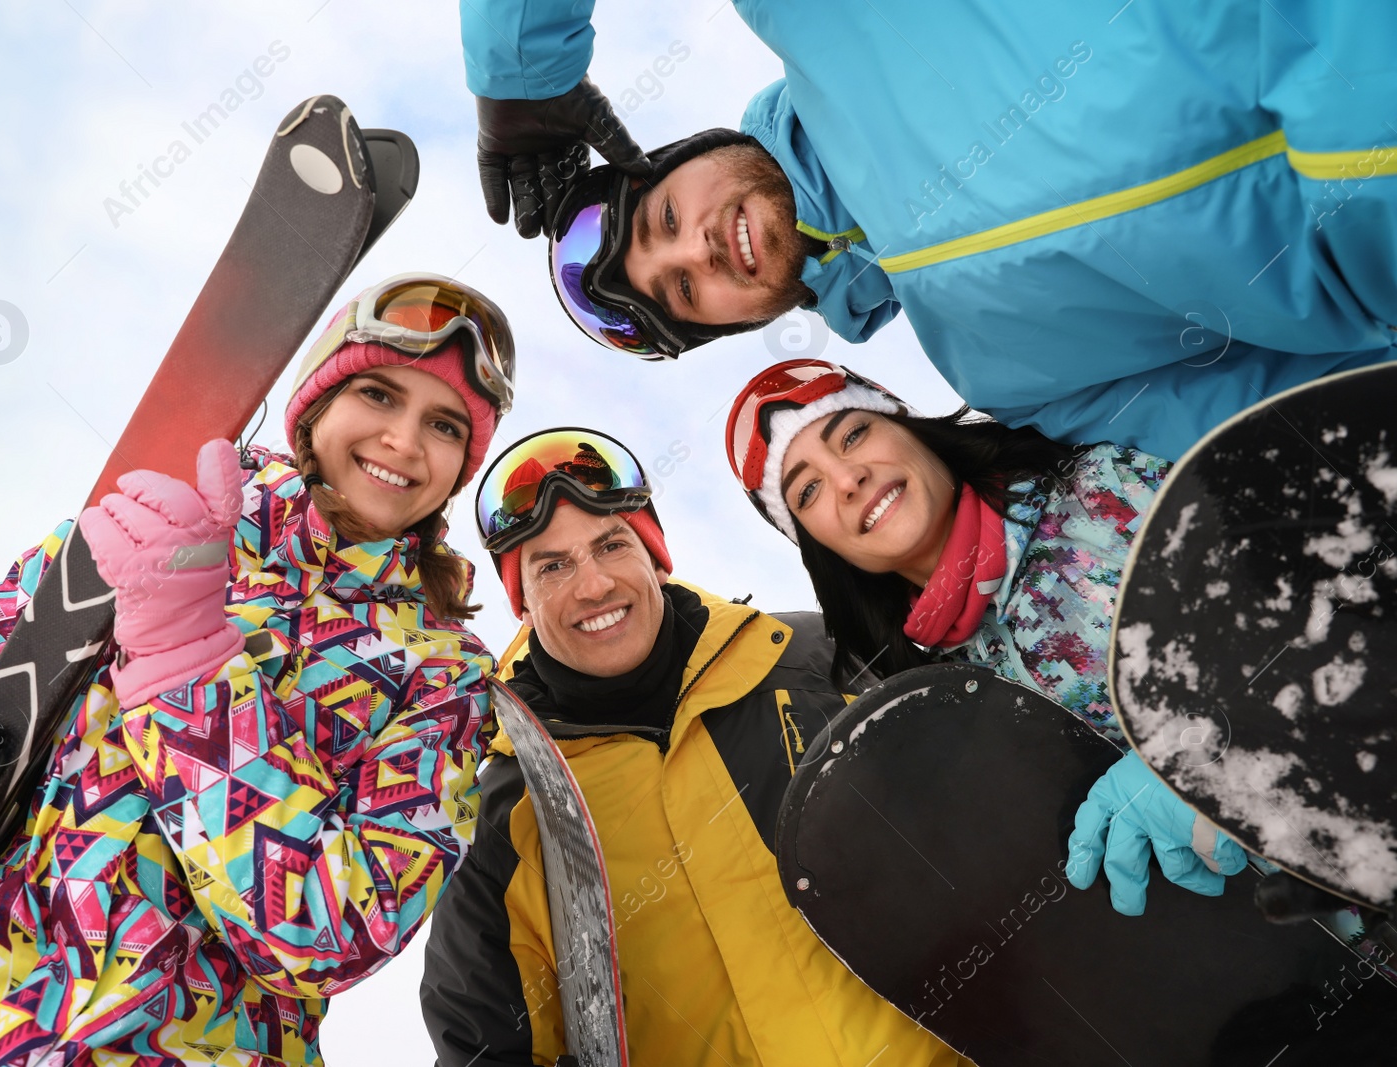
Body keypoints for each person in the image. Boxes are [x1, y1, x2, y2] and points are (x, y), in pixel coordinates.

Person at [0, 274, 514, 1065]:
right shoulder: (146, 518)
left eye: (444, 426)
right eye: (378, 395)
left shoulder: (445, 677)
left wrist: (187, 676)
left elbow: (337, 931)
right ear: (316, 403)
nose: (405, 442)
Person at [464, 0, 1397, 460]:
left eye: (667, 217)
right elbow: (1284, 427)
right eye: (684, 292)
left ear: (697, 147)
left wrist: (518, 68)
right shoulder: (998, 370)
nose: (698, 248)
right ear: (739, 322)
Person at [721, 357, 1397, 967]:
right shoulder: (941, 705)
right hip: (1325, 969)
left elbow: (1339, 589)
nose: (848, 478)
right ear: (817, 548)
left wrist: (1210, 750)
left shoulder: (1099, 488)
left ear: (907, 426)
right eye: (807, 492)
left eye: (853, 434)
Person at [419, 428, 970, 1067]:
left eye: (611, 544)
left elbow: (979, 836)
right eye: (553, 565)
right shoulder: (504, 815)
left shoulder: (817, 658)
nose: (594, 586)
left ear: (656, 557)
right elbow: (484, 1048)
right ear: (523, 603)